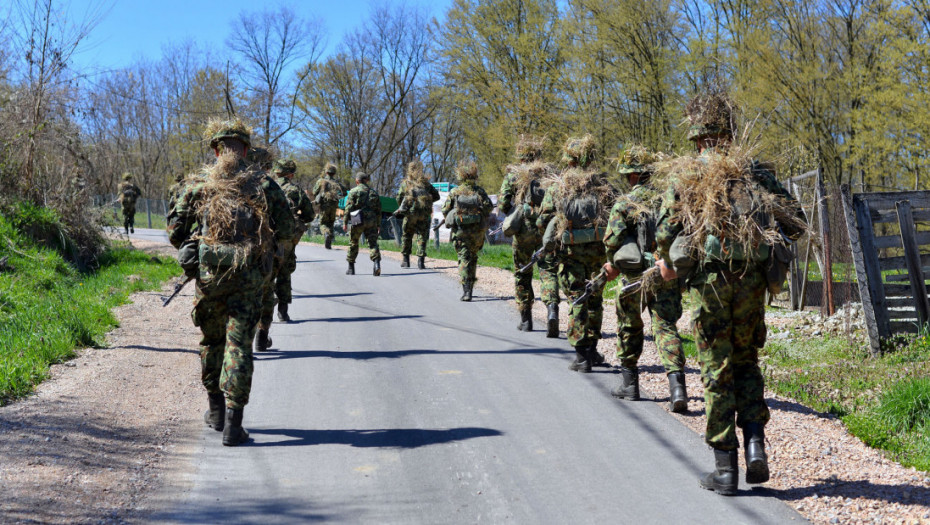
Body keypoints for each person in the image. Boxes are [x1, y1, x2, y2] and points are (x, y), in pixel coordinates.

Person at [654, 91, 804, 494]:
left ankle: (725, 469)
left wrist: (667, 261)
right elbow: (798, 224)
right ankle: (756, 445)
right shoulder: (756, 171)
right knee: (746, 362)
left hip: (711, 287)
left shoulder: (688, 174)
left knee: (717, 371)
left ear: (698, 137)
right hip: (753, 284)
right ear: (731, 132)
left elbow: (665, 231)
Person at [168, 119, 294, 446]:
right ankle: (234, 425)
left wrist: (196, 244)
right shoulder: (265, 184)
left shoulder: (200, 186)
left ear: (215, 149)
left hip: (211, 279)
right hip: (250, 279)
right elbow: (287, 228)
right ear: (246, 149)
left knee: (212, 343)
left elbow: (175, 232)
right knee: (239, 345)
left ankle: (215, 412)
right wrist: (271, 253)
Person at [601, 145, 687, 412]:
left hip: (634, 277)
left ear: (633, 176)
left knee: (629, 325)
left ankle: (629, 384)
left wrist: (611, 263)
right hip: (665, 272)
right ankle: (677, 388)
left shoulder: (625, 204)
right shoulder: (669, 199)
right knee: (665, 327)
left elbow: (612, 240)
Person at [536, 135, 614, 372]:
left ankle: (581, 356)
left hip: (570, 254)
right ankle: (592, 349)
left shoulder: (559, 187)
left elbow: (544, 221)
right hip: (599, 253)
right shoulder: (604, 186)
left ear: (569, 161)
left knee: (577, 299)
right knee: (595, 299)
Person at [498, 135, 560, 335]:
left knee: (522, 272)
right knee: (548, 271)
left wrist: (515, 208)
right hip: (547, 230)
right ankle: (552, 310)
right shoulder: (551, 174)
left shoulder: (514, 175)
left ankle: (526, 320)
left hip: (523, 230)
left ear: (521, 156)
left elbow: (503, 205)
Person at [441, 161, 493, 301]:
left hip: (460, 232)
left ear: (461, 176)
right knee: (473, 258)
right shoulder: (479, 191)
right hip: (477, 232)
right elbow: (489, 208)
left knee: (464, 258)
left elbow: (445, 210)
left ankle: (466, 290)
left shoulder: (455, 192)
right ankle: (470, 287)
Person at [272, 159, 315, 321]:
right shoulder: (295, 190)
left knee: (266, 270)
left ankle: (263, 313)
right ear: (290, 174)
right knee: (284, 271)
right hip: (286, 237)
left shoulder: (265, 186)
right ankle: (283, 312)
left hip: (265, 235)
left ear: (276, 172)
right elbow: (310, 215)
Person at [394, 159, 440, 269]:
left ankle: (406, 260)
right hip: (424, 214)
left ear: (409, 170)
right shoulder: (426, 184)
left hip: (410, 214)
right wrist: (426, 202)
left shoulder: (406, 183)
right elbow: (437, 196)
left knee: (407, 235)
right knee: (422, 237)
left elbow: (399, 197)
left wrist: (404, 206)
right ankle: (420, 261)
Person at [344, 171, 382, 276]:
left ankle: (351, 268)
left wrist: (345, 222)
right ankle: (376, 263)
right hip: (371, 220)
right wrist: (378, 224)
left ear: (357, 181)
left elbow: (348, 208)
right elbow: (379, 210)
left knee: (353, 242)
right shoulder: (374, 192)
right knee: (373, 242)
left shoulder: (353, 191)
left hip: (357, 218)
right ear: (366, 181)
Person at [312, 162, 346, 249]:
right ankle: (329, 242)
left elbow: (314, 192)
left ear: (326, 172)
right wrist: (337, 196)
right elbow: (345, 192)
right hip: (334, 205)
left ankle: (326, 234)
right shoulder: (336, 182)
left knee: (323, 223)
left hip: (324, 205)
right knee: (331, 223)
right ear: (334, 173)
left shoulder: (321, 181)